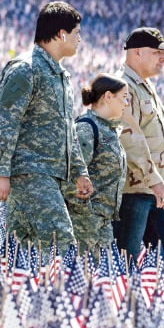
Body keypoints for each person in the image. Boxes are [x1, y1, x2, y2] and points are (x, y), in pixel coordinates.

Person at [0, 1, 92, 255]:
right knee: (62, 243)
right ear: (61, 34)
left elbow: (68, 130)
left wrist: (79, 171)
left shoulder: (60, 75)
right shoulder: (26, 69)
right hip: (31, 174)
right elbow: (5, 122)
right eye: (77, 33)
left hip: (51, 174)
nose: (80, 39)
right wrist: (1, 172)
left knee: (17, 249)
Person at [114, 27, 164, 260]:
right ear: (137, 53)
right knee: (126, 261)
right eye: (156, 52)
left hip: (155, 189)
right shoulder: (122, 87)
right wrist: (155, 181)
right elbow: (129, 139)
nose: (163, 58)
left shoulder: (144, 85)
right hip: (134, 191)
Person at [63, 74, 129, 255]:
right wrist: (87, 215)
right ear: (108, 97)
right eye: (124, 97)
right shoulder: (86, 128)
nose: (126, 103)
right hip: (84, 224)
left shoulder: (108, 129)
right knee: (83, 276)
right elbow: (71, 176)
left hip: (102, 222)